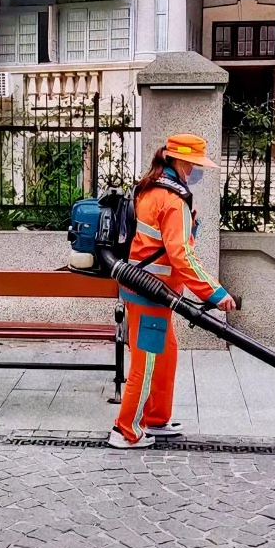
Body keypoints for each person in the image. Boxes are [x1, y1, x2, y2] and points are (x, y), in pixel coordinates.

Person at [110, 134, 237, 449]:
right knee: (146, 364)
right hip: (151, 293)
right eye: (193, 164)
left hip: (145, 289)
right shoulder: (172, 198)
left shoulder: (150, 187)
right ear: (178, 161)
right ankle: (125, 431)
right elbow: (182, 256)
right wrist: (215, 293)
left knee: (165, 356)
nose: (196, 170)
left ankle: (156, 419)